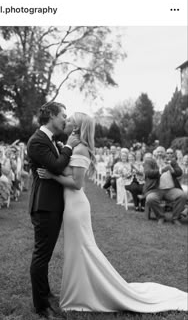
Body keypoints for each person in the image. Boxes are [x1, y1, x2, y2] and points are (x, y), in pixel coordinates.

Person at [37, 112, 187, 314]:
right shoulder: (74, 146)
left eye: (71, 119)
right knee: (77, 250)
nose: (67, 120)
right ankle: (80, 291)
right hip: (71, 205)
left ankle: (86, 293)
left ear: (78, 126)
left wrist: (52, 176)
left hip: (76, 206)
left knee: (83, 249)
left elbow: (76, 183)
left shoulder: (80, 149)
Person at [27, 101, 79, 319]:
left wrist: (63, 148)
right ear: (50, 115)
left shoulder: (50, 139)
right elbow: (56, 166)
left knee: (45, 256)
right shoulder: (37, 141)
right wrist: (69, 146)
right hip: (44, 205)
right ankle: (41, 306)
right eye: (63, 115)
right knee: (41, 255)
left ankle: (46, 294)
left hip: (52, 204)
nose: (65, 119)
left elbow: (57, 167)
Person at [144, 146, 186, 225]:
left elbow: (179, 172)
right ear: (155, 153)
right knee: (150, 198)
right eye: (158, 152)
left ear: (165, 153)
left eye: (162, 152)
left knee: (182, 195)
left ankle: (175, 218)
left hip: (170, 189)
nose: (160, 153)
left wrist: (172, 170)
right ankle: (161, 216)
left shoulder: (171, 161)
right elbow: (148, 173)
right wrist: (161, 170)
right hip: (155, 190)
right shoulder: (150, 162)